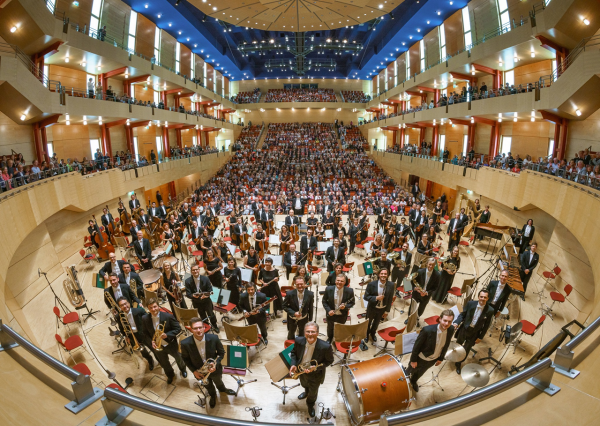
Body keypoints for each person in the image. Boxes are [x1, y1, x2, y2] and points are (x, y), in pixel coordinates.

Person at [180, 317, 236, 408]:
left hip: (215, 369)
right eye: (195, 328)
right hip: (199, 371)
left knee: (219, 381)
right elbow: (185, 359)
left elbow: (221, 353)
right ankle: (213, 395)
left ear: (204, 327)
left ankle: (222, 389)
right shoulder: (185, 343)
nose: (198, 330)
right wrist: (194, 371)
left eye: (200, 327)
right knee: (208, 386)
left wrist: (215, 363)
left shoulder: (214, 338)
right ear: (191, 329)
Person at [289, 322, 334, 418]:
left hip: (316, 374)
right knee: (304, 384)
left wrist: (316, 367)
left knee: (313, 392)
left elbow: (329, 361)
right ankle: (306, 392)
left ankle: (310, 404)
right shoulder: (298, 340)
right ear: (304, 332)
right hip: (301, 371)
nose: (310, 334)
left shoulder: (326, 346)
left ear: (317, 333)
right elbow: (293, 353)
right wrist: (293, 364)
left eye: (313, 332)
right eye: (308, 331)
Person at [405, 309, 455, 392]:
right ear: (440, 319)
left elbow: (446, 344)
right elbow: (416, 346)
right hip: (420, 358)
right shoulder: (427, 330)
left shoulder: (451, 329)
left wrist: (441, 358)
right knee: (410, 371)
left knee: (421, 372)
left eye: (449, 321)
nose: (447, 324)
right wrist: (413, 360)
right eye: (445, 320)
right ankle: (403, 382)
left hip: (433, 359)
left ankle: (413, 381)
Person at [142, 298, 187, 385]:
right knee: (164, 362)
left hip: (171, 344)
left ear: (158, 306)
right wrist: (151, 341)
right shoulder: (145, 318)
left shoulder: (168, 316)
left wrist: (167, 335)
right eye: (150, 307)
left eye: (155, 306)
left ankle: (183, 369)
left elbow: (178, 329)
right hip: (158, 346)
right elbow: (145, 333)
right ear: (148, 308)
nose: (153, 309)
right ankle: (170, 375)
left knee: (178, 358)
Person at [453, 289, 494, 374]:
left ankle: (458, 363)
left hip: (474, 333)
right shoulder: (470, 304)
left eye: (485, 297)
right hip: (464, 329)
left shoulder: (490, 310)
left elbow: (486, 325)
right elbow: (462, 315)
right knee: (458, 345)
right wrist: (456, 323)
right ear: (478, 297)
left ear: (488, 298)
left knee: (466, 349)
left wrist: (480, 337)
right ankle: (454, 357)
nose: (482, 299)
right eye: (481, 296)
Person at [116, 297, 155, 370]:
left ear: (129, 303)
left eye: (125, 304)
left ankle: (160, 360)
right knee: (143, 352)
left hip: (144, 334)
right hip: (133, 336)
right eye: (122, 305)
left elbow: (149, 321)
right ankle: (150, 360)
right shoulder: (119, 316)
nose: (124, 306)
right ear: (119, 307)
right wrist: (126, 336)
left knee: (153, 349)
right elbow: (121, 327)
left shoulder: (139, 311)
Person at [184, 264, 219, 332]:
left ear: (199, 270)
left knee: (211, 314)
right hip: (196, 302)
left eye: (196, 269)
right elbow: (188, 294)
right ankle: (206, 327)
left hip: (206, 301)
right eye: (193, 270)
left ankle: (215, 326)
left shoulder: (205, 278)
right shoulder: (187, 281)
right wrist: (193, 296)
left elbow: (210, 290)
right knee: (202, 315)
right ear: (191, 271)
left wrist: (206, 296)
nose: (195, 271)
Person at [363, 269, 394, 343]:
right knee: (368, 322)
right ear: (379, 274)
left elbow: (390, 299)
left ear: (387, 275)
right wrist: (376, 298)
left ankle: (373, 333)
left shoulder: (391, 285)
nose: (383, 275)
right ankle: (366, 334)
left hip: (382, 309)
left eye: (385, 274)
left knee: (376, 323)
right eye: (382, 273)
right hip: (372, 308)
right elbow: (366, 297)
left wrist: (387, 311)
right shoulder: (371, 284)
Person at [322, 275, 355, 343]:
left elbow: (352, 303)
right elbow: (324, 301)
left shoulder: (349, 291)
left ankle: (338, 340)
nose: (339, 282)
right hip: (331, 314)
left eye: (341, 281)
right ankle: (330, 338)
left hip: (342, 315)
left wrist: (345, 307)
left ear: (345, 282)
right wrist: (328, 310)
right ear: (335, 281)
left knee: (340, 328)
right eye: (338, 280)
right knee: (330, 328)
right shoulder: (328, 289)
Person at [283, 276, 314, 340]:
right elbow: (284, 306)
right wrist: (294, 313)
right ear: (295, 284)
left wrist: (310, 319)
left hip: (303, 318)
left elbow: (311, 307)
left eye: (301, 284)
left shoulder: (310, 294)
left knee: (302, 335)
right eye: (297, 284)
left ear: (305, 283)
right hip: (292, 318)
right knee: (291, 334)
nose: (300, 286)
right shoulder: (289, 293)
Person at [411, 258, 440, 325]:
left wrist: (427, 292)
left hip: (426, 295)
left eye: (432, 265)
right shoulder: (420, 271)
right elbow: (413, 282)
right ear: (427, 264)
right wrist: (415, 288)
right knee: (412, 307)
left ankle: (417, 319)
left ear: (434, 265)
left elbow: (435, 287)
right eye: (429, 264)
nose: (431, 266)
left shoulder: (437, 275)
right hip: (416, 293)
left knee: (421, 308)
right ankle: (409, 318)